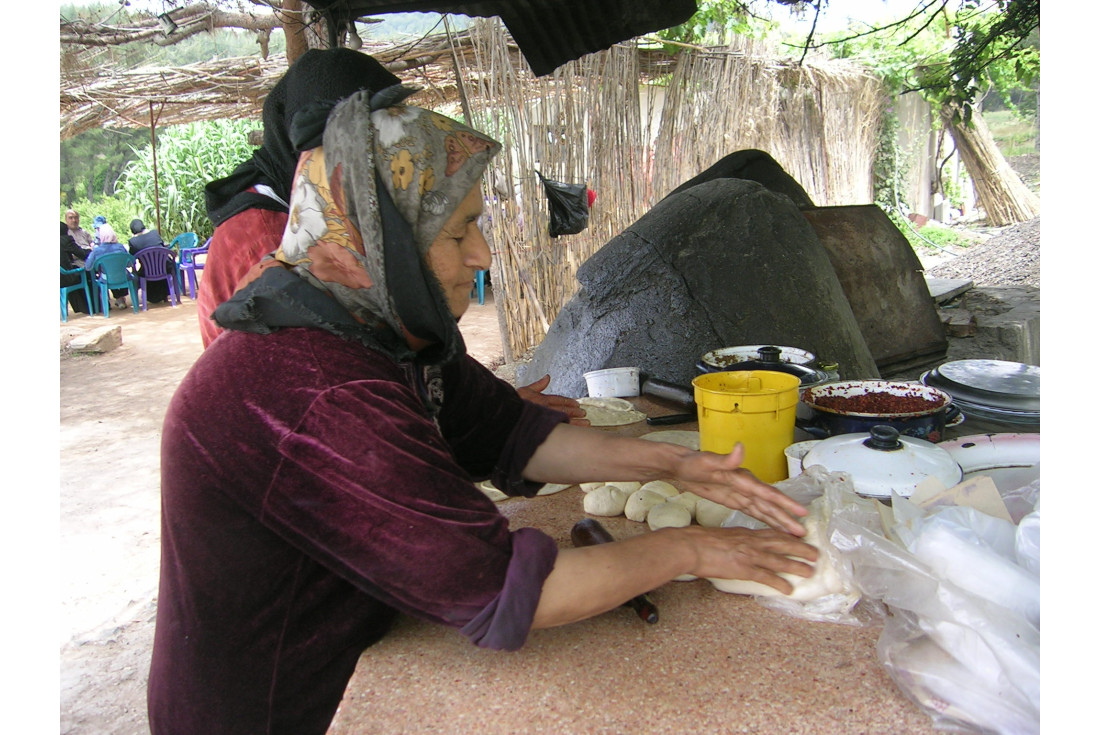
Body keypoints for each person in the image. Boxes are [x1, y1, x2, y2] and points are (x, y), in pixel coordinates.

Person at [147, 90, 817, 735]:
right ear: (382, 245)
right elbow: (514, 591)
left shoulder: (370, 325)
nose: (483, 255)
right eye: (459, 230)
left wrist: (675, 465)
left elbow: (511, 432)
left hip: (350, 650)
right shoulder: (319, 389)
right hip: (278, 708)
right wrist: (692, 547)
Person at [198, 47, 587, 423]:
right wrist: (480, 419)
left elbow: (392, 350)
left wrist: (488, 410)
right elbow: (311, 396)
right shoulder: (274, 240)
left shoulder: (326, 222)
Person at [85, 224, 131, 311]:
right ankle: (121, 298)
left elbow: (88, 267)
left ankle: (107, 304)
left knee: (106, 274)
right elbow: (129, 264)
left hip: (106, 279)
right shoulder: (120, 247)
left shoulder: (97, 251)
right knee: (122, 272)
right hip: (123, 277)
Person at [128, 218, 173, 304]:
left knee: (137, 273)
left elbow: (132, 258)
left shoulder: (133, 242)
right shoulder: (155, 234)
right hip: (164, 268)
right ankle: (168, 294)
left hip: (147, 273)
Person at [60, 221, 93, 314]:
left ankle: (80, 308)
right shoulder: (65, 240)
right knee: (88, 273)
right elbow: (81, 253)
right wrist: (91, 251)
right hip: (67, 277)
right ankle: (93, 307)